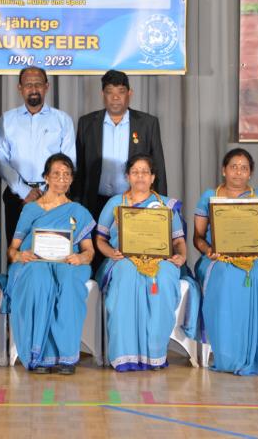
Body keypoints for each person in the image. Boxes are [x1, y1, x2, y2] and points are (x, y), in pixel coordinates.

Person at [192, 148, 258, 376]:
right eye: (233, 167)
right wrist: (208, 250)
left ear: (250, 173)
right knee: (226, 274)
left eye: (244, 168)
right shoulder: (209, 197)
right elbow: (198, 238)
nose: (238, 172)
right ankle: (228, 353)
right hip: (218, 258)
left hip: (255, 257)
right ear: (224, 170)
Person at [94, 155, 186, 371]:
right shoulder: (115, 203)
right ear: (127, 176)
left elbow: (178, 241)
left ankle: (154, 353)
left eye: (145, 172)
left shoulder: (165, 205)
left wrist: (181, 256)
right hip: (123, 259)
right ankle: (124, 354)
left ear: (153, 177)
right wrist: (111, 253)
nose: (140, 176)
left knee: (164, 276)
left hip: (160, 260)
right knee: (126, 274)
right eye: (135, 172)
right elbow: (100, 239)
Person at [6, 153, 95, 374]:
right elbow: (12, 250)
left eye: (66, 174)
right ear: (46, 177)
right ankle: (39, 354)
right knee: (40, 279)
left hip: (68, 263)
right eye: (56, 174)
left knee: (69, 282)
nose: (61, 179)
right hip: (34, 262)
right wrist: (20, 256)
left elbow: (89, 251)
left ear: (72, 179)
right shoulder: (31, 209)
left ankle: (66, 357)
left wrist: (80, 258)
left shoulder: (78, 211)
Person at [73, 69, 167, 241]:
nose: (115, 97)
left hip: (135, 203)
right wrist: (76, 204)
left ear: (129, 93)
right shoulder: (86, 123)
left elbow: (158, 167)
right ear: (102, 94)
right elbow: (80, 169)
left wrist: (160, 205)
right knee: (96, 250)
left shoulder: (147, 123)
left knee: (132, 248)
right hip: (95, 203)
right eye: (110, 92)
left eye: (121, 92)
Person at [0, 66, 75, 242]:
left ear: (47, 86)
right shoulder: (7, 120)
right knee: (16, 251)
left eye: (38, 84)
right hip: (17, 197)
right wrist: (24, 191)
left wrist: (49, 193)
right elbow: (2, 160)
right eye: (28, 85)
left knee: (52, 249)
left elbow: (69, 162)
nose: (33, 89)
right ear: (20, 88)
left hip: (55, 196)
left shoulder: (62, 120)